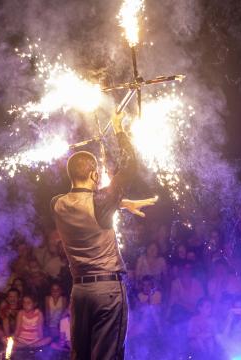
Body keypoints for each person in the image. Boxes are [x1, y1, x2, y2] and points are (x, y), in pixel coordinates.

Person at [51, 111, 156, 359]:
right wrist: (120, 129)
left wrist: (121, 202)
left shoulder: (56, 203)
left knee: (81, 355)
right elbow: (130, 166)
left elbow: (89, 204)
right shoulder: (100, 202)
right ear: (95, 175)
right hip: (107, 292)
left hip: (80, 293)